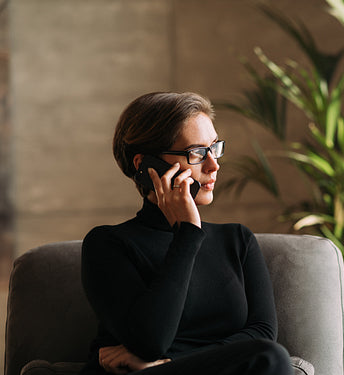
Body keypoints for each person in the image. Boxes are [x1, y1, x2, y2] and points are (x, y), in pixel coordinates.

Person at [80, 92, 294, 375]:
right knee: (269, 358)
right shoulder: (107, 244)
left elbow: (262, 332)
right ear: (145, 164)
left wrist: (168, 363)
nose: (213, 165)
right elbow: (150, 341)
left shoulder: (237, 240)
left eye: (214, 147)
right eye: (197, 153)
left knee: (269, 356)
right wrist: (188, 232)